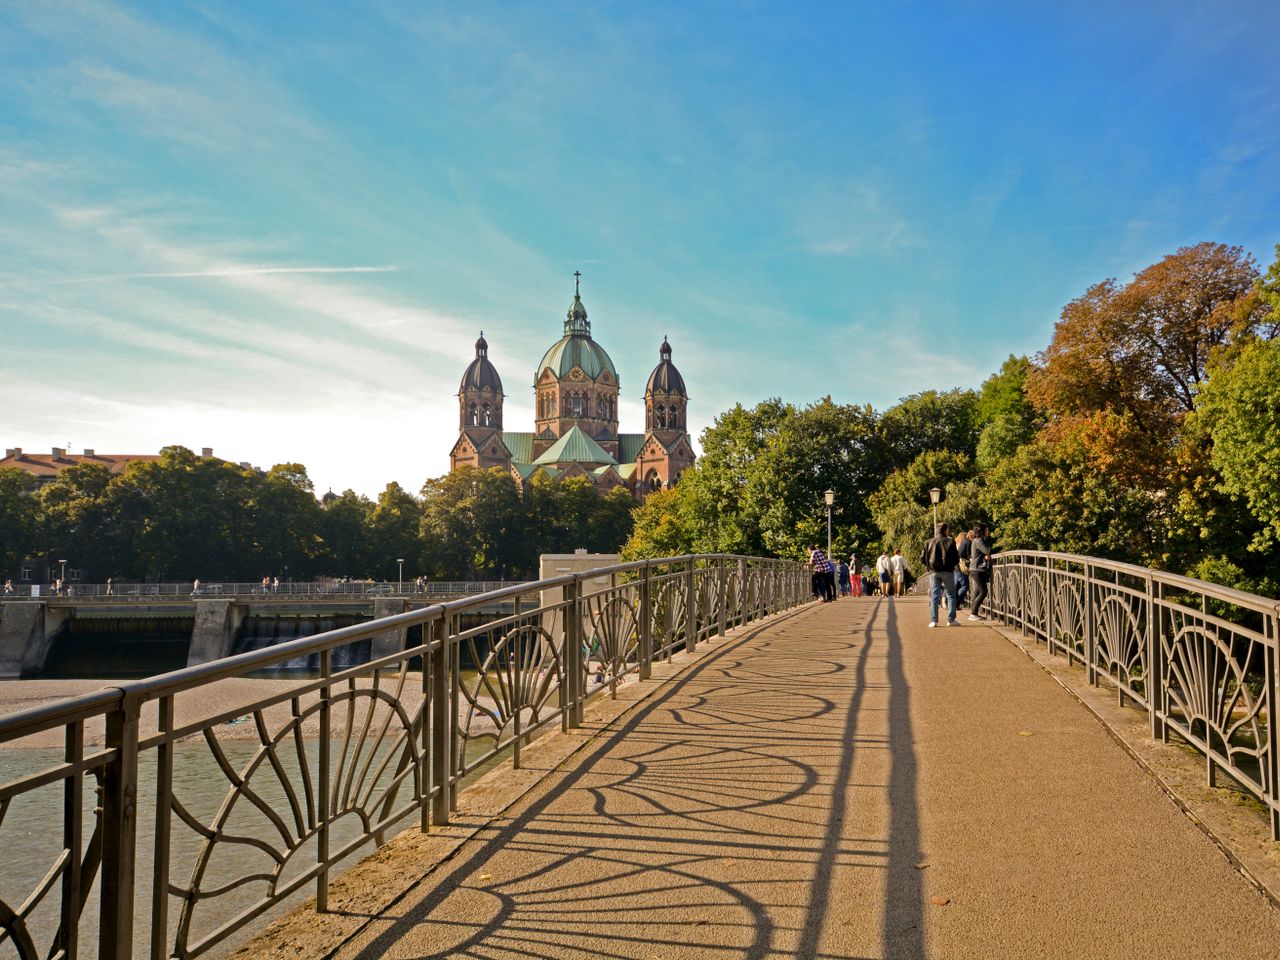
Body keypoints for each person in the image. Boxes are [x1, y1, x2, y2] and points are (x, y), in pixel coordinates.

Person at [920, 522, 960, 627]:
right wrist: (951, 565)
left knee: (934, 595)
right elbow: (956, 558)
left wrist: (929, 567)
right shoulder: (950, 541)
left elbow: (922, 558)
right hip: (948, 572)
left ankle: (934, 620)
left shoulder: (928, 542)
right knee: (951, 595)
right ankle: (951, 620)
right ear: (945, 530)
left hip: (934, 572)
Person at [968, 524, 994, 620]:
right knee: (983, 592)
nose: (988, 532)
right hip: (977, 569)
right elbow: (988, 550)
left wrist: (985, 555)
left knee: (980, 591)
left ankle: (974, 613)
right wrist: (1000, 547)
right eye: (987, 530)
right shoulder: (979, 541)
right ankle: (973, 613)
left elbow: (982, 552)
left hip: (976, 569)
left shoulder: (978, 541)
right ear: (982, 531)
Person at [954, 530, 971, 608]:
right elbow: (966, 555)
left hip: (955, 567)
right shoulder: (964, 544)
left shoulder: (956, 544)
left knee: (957, 586)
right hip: (960, 567)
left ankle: (951, 603)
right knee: (965, 586)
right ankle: (955, 603)